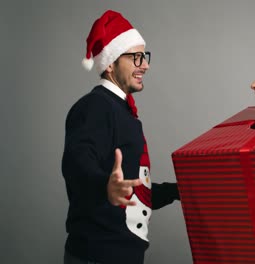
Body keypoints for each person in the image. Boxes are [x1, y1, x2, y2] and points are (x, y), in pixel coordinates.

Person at [61, 10, 179, 264]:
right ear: (111, 63)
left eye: (144, 57)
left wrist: (178, 191)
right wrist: (105, 185)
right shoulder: (94, 106)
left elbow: (133, 191)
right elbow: (76, 163)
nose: (145, 64)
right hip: (98, 256)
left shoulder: (122, 111)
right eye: (136, 57)